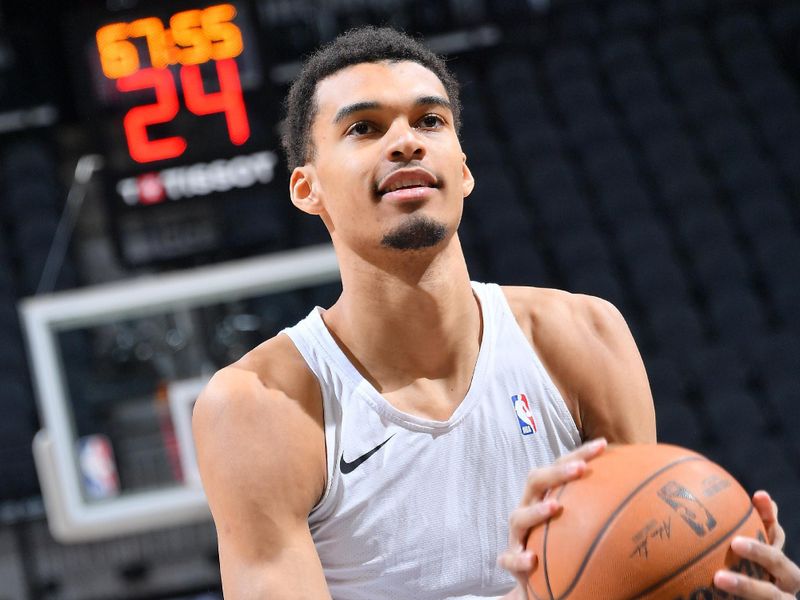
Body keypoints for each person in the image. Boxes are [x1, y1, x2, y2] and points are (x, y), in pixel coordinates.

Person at [192, 26, 800, 600]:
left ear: (462, 169)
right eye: (364, 128)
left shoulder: (582, 337)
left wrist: (724, 571)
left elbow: (644, 563)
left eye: (430, 120)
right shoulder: (259, 406)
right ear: (307, 188)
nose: (406, 140)